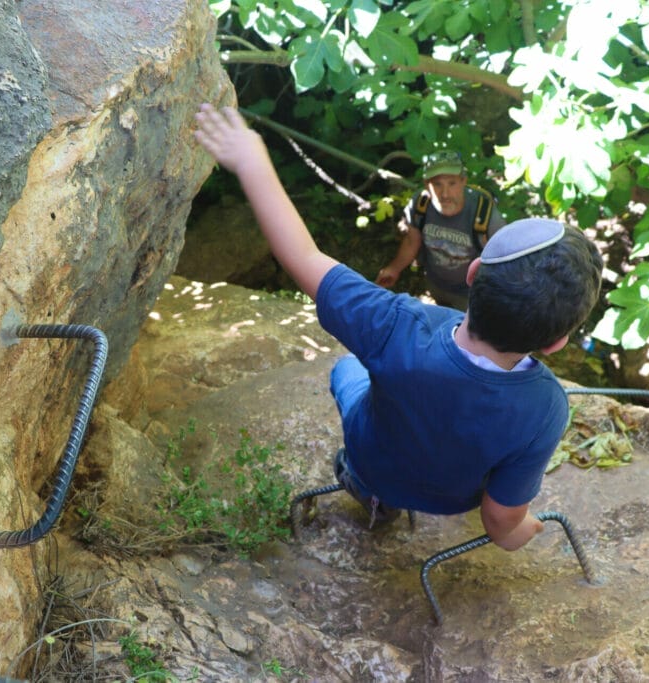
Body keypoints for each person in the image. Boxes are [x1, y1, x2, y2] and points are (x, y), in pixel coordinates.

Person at [193, 104, 603, 551]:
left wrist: (252, 160)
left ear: (472, 273)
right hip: (452, 499)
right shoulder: (547, 407)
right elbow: (500, 523)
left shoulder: (395, 324)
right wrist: (521, 532)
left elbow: (305, 258)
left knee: (347, 368)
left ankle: (369, 493)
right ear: (556, 343)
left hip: (374, 464)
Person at [376, 151, 507, 310]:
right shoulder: (420, 204)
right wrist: (394, 269)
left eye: (452, 183)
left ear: (463, 181)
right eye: (437, 184)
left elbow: (503, 259)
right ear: (426, 185)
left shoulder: (485, 215)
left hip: (470, 294)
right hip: (435, 283)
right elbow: (412, 241)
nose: (444, 194)